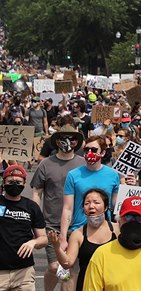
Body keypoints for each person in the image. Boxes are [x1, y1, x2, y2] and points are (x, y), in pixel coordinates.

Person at [82, 196, 141, 291]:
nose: (133, 221)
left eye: (139, 218)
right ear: (119, 222)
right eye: (128, 217)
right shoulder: (101, 254)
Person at [31, 124, 85, 291]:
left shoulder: (83, 164)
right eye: (63, 138)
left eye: (72, 138)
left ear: (77, 142)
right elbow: (36, 193)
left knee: (68, 268)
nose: (67, 142)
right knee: (55, 266)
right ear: (56, 141)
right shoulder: (45, 164)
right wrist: (35, 221)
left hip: (77, 224)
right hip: (51, 225)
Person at [60, 135, 120, 253]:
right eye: (87, 150)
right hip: (79, 231)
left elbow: (116, 206)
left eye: (93, 150)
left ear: (102, 153)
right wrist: (63, 238)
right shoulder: (73, 175)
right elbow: (67, 208)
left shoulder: (113, 175)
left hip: (105, 233)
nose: (89, 153)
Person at [49, 188, 116, 291]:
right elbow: (67, 263)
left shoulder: (117, 229)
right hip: (87, 285)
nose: (91, 206)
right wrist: (57, 247)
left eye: (96, 202)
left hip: (113, 284)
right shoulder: (77, 234)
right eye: (87, 203)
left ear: (106, 207)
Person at [0, 164, 48, 291]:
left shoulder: (31, 207)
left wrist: (33, 242)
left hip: (24, 272)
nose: (14, 185)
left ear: (25, 183)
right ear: (3, 182)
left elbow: (43, 239)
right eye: (10, 181)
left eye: (18, 182)